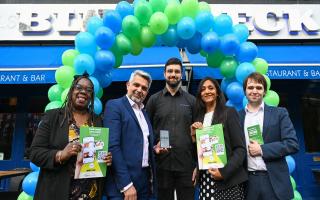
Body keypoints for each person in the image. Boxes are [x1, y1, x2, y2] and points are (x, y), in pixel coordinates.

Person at [30, 74, 112, 200]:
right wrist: (61, 154)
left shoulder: (97, 120)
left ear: (91, 96)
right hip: (57, 192)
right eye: (79, 87)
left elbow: (98, 152)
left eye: (89, 90)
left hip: (90, 194)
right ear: (71, 91)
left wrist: (105, 158)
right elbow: (35, 153)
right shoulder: (53, 117)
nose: (83, 92)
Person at [239, 72, 299, 200]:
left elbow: (292, 144)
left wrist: (262, 149)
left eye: (259, 87)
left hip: (274, 181)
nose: (254, 91)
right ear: (245, 91)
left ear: (265, 92)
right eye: (250, 87)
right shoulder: (237, 117)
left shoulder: (279, 113)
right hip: (247, 183)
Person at [146, 57, 196, 200]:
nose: (173, 74)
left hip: (186, 165)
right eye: (170, 71)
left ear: (182, 74)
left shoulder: (191, 101)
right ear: (164, 74)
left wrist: (198, 164)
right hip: (162, 165)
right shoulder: (154, 100)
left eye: (176, 71)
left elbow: (199, 134)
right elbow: (146, 131)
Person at [190, 77, 248, 200]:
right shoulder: (199, 118)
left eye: (211, 88)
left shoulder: (229, 113)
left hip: (228, 180)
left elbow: (240, 149)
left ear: (217, 92)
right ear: (200, 94)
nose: (207, 91)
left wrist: (224, 172)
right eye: (203, 89)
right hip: (206, 179)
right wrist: (194, 138)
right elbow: (201, 155)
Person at [104, 70, 156, 200]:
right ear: (128, 85)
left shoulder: (144, 112)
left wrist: (154, 148)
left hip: (144, 182)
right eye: (136, 85)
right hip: (122, 185)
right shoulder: (114, 106)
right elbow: (112, 146)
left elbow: (141, 142)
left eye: (144, 88)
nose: (140, 90)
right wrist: (126, 185)